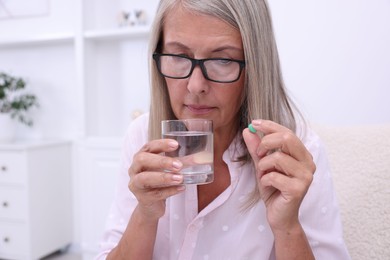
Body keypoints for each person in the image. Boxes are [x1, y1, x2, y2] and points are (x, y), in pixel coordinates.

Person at [97, 0, 350, 259]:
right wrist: (145, 214)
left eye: (222, 60)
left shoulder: (297, 153)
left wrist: (287, 227)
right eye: (179, 56)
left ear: (255, 66)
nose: (195, 86)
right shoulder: (142, 135)